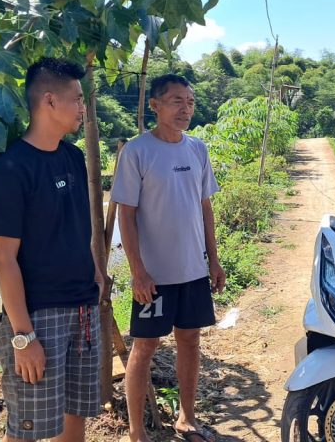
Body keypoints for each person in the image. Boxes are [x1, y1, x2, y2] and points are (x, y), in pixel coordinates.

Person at [0, 57, 108, 442]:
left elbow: (80, 228)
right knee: (27, 430)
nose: (83, 108)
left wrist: (97, 274)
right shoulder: (9, 169)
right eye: (77, 99)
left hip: (83, 309)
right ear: (49, 101)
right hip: (39, 316)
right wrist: (23, 337)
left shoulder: (72, 156)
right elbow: (3, 258)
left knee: (75, 417)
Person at [112, 74, 226, 442]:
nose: (185, 109)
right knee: (144, 346)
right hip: (154, 276)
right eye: (176, 101)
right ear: (155, 106)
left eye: (190, 102)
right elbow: (126, 215)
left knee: (190, 340)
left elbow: (204, 206)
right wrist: (138, 272)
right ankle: (136, 431)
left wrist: (214, 258)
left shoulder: (197, 149)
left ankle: (187, 417)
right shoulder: (137, 151)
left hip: (192, 270)